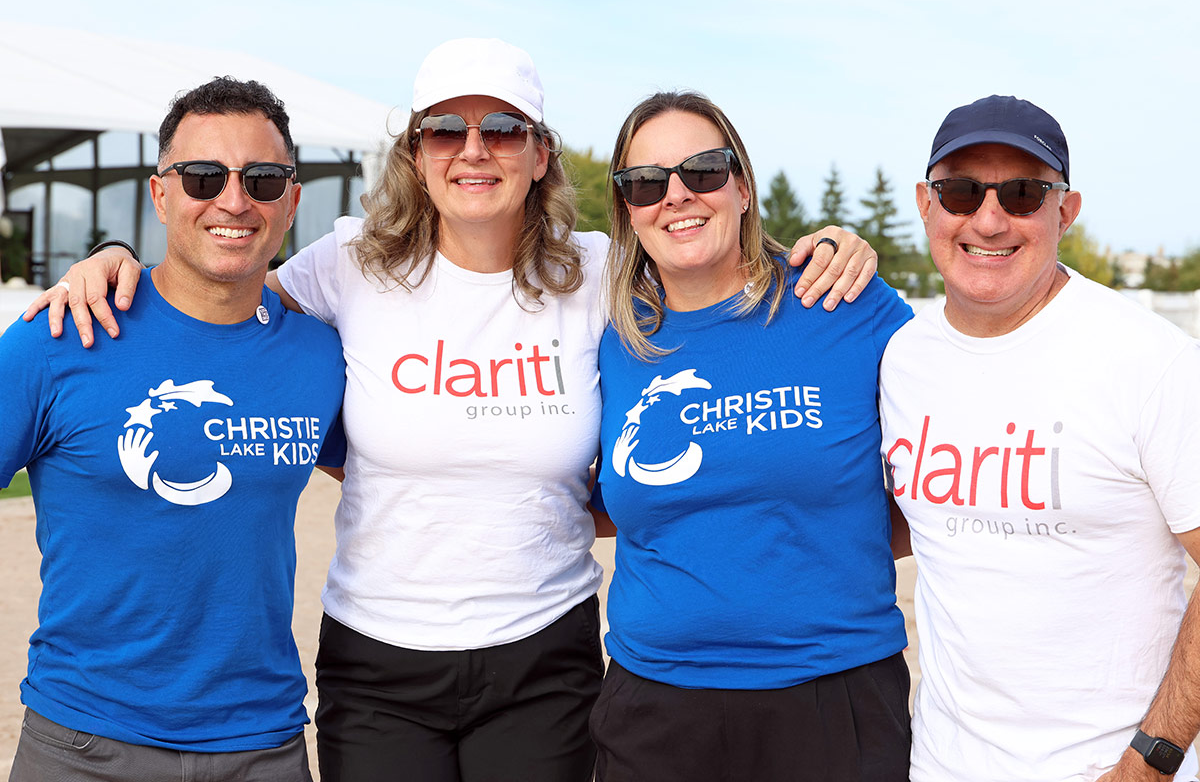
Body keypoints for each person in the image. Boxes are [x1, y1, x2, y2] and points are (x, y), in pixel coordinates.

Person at [25, 40, 878, 782]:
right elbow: (217, 299)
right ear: (417, 152)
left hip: (545, 647)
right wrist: (113, 261)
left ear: (541, 153)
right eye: (446, 130)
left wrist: (829, 248)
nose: (475, 151)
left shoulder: (600, 272)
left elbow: (706, 248)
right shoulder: (346, 265)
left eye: (502, 129)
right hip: (377, 655)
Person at [0, 77, 346, 781]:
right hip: (82, 743)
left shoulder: (322, 356)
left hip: (264, 745)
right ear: (161, 195)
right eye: (202, 176)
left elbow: (412, 468)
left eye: (264, 179)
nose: (234, 200)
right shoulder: (61, 337)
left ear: (292, 202)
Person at [588, 90, 913, 782]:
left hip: (833, 698)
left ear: (742, 187)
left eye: (702, 171)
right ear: (627, 211)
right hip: (655, 709)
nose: (675, 195)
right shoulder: (612, 339)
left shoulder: (841, 302)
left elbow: (943, 483)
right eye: (646, 183)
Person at [879, 95, 1200, 782]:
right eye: (960, 192)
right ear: (925, 203)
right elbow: (907, 527)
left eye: (1023, 194)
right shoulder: (901, 359)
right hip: (941, 764)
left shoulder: (1151, 361)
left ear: (1066, 210)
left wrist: (1153, 759)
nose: (988, 219)